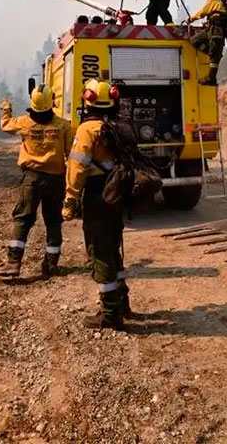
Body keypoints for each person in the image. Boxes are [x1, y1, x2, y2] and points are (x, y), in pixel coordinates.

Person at [62, 78, 131, 330]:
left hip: (97, 194)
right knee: (113, 246)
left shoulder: (87, 130)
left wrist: (70, 199)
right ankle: (122, 301)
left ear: (88, 101)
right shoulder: (118, 126)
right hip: (117, 192)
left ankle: (110, 313)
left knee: (99, 251)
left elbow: (77, 167)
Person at [0, 85, 73, 279]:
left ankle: (13, 262)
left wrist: (6, 108)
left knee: (23, 218)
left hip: (32, 178)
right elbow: (70, 154)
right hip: (55, 179)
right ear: (51, 102)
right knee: (53, 220)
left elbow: (6, 125)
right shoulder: (64, 125)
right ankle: (51, 264)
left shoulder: (24, 122)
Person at [187, 0, 227, 86]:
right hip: (211, 28)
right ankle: (212, 54)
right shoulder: (218, 2)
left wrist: (191, 19)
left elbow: (202, 12)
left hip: (217, 30)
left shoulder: (214, 0)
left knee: (214, 53)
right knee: (194, 41)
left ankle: (211, 78)